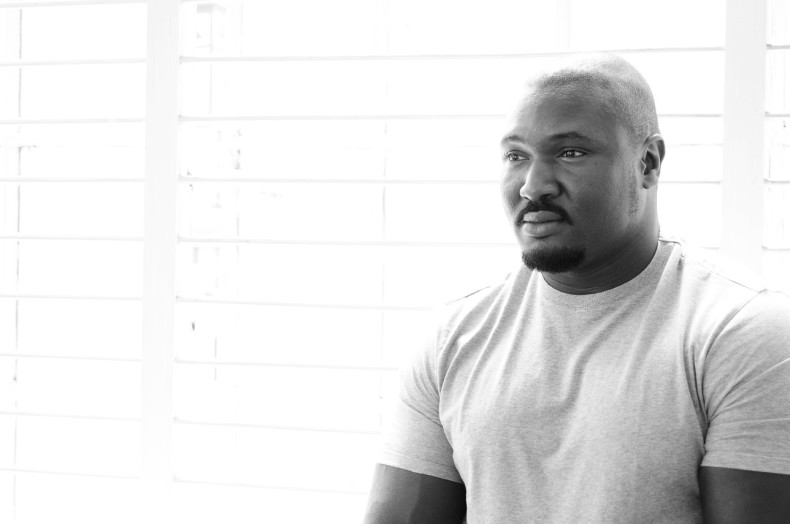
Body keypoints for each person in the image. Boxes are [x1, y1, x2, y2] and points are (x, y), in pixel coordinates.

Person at [363, 53, 790, 523]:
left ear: (647, 163)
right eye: (516, 156)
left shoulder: (743, 333)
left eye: (570, 153)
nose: (533, 186)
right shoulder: (453, 337)